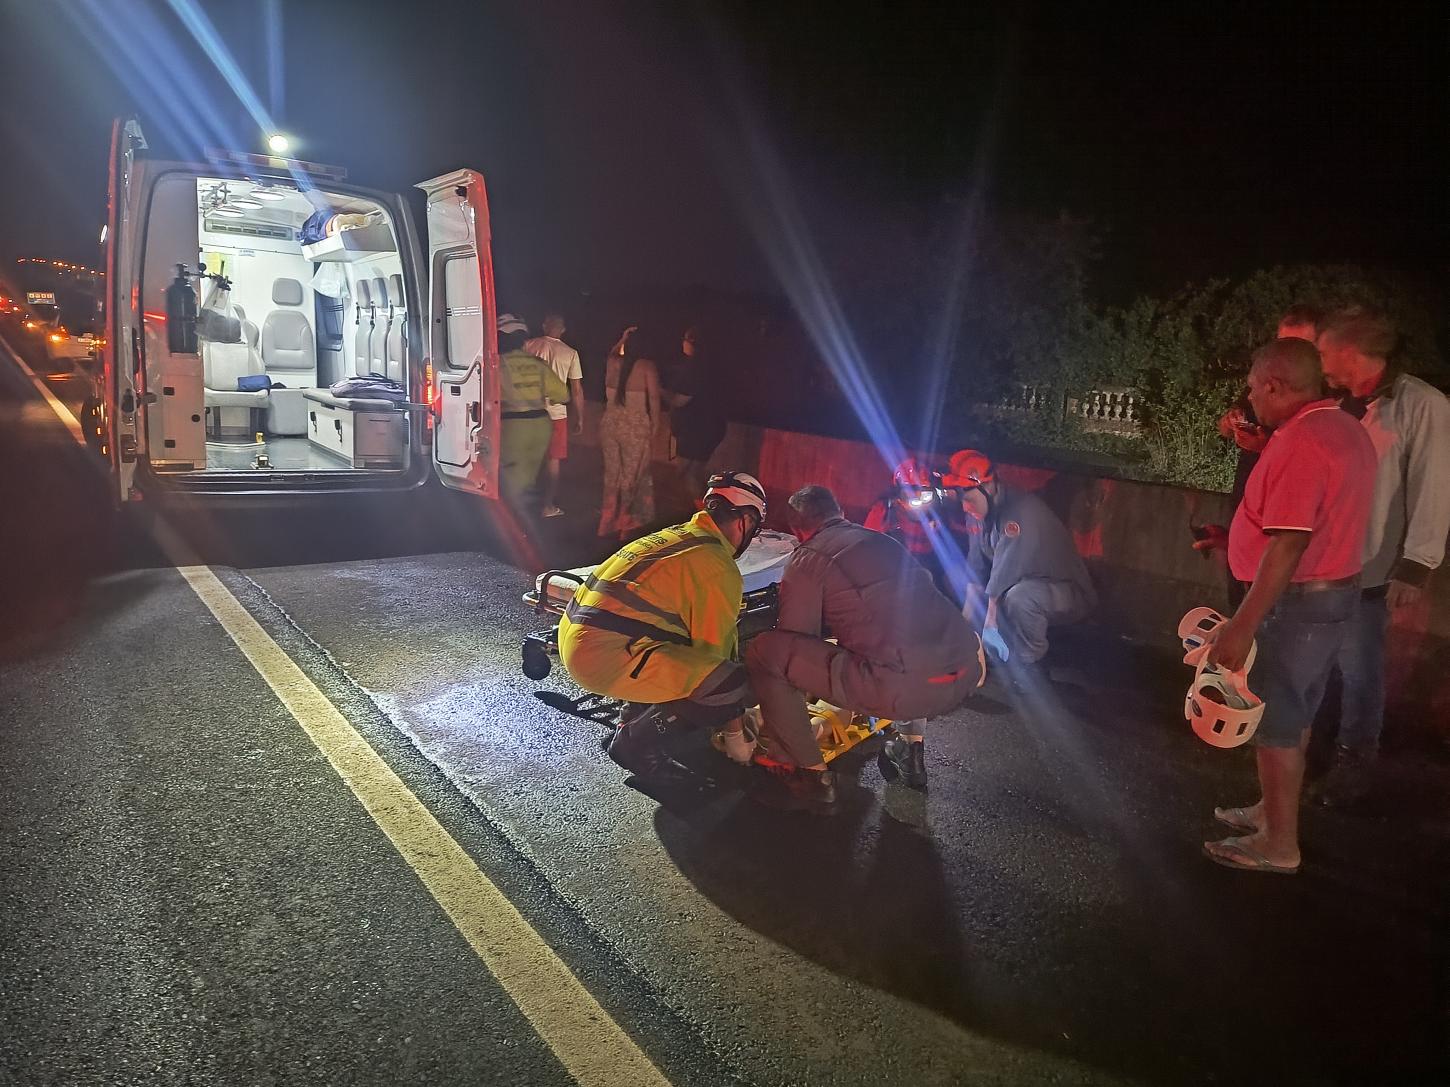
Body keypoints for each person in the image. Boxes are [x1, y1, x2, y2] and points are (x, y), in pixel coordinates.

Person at [1196, 337, 1376, 874]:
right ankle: (1271, 813)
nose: (1249, 398)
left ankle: (1279, 844)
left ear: (1274, 385)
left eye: (1253, 388)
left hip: (1297, 601)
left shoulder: (1303, 441)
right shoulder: (1345, 427)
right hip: (1331, 594)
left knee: (1273, 715)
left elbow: (1288, 544)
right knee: (1297, 711)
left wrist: (1243, 624)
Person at [744, 485, 984, 810]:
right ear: (840, 513)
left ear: (798, 530)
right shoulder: (883, 541)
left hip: (903, 689)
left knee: (767, 652)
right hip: (964, 671)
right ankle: (910, 749)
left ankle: (808, 774)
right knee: (907, 642)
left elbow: (795, 637)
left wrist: (783, 714)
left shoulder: (809, 556)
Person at [1312, 307, 1450, 806]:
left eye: (1324, 351)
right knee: (1315, 664)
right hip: (1321, 562)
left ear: (1351, 351)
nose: (1319, 361)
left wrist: (1416, 565)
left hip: (1368, 565)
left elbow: (1434, 485)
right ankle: (1311, 754)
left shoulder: (1421, 404)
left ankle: (1353, 766)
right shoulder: (1339, 404)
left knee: (1359, 671)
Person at [559, 472, 768, 784]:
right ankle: (635, 746)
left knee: (673, 641)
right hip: (603, 656)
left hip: (578, 637)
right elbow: (715, 661)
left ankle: (631, 719)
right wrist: (735, 734)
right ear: (746, 521)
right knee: (726, 682)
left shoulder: (678, 536)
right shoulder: (715, 564)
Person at [948, 449, 1095, 676]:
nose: (965, 507)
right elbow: (976, 571)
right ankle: (1000, 653)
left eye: (968, 499)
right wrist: (964, 630)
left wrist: (990, 625)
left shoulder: (1019, 514)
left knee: (1021, 598)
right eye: (961, 500)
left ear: (988, 487)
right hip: (1020, 586)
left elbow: (1003, 576)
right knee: (975, 590)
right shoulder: (978, 513)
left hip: (1067, 593)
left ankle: (1031, 665)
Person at [1215, 306, 1321, 607]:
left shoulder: (1320, 405)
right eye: (1281, 343)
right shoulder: (1265, 382)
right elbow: (1227, 423)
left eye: (1297, 345)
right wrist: (1232, 424)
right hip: (1247, 506)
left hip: (1282, 532)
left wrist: (1266, 447)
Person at [862, 458, 963, 595]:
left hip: (933, 574)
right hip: (894, 574)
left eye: (925, 495)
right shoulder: (885, 511)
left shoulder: (943, 514)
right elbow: (867, 548)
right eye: (909, 495)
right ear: (898, 495)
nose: (917, 502)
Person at [497, 313, 568, 507]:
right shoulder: (537, 364)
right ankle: (530, 511)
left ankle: (515, 517)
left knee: (512, 482)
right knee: (529, 477)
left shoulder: (497, 364)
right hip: (541, 426)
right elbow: (563, 395)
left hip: (512, 426)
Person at [598, 327, 661, 539]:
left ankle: (606, 519)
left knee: (612, 473)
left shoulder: (613, 362)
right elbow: (654, 399)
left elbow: (611, 354)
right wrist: (656, 425)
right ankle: (624, 521)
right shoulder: (647, 366)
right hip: (635, 426)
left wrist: (621, 339)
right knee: (631, 475)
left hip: (610, 423)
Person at [524, 313, 585, 519]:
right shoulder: (570, 353)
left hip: (529, 411)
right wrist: (580, 417)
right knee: (553, 459)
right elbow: (576, 390)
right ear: (563, 330)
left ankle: (524, 502)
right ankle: (547, 505)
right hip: (556, 414)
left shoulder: (529, 345)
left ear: (544, 326)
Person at [663, 326, 727, 498]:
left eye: (685, 339)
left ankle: (699, 508)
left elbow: (679, 400)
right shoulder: (712, 366)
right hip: (713, 427)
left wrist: (659, 391)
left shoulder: (693, 368)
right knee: (692, 473)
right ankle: (696, 506)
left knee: (686, 474)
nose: (682, 342)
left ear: (693, 343)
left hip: (695, 429)